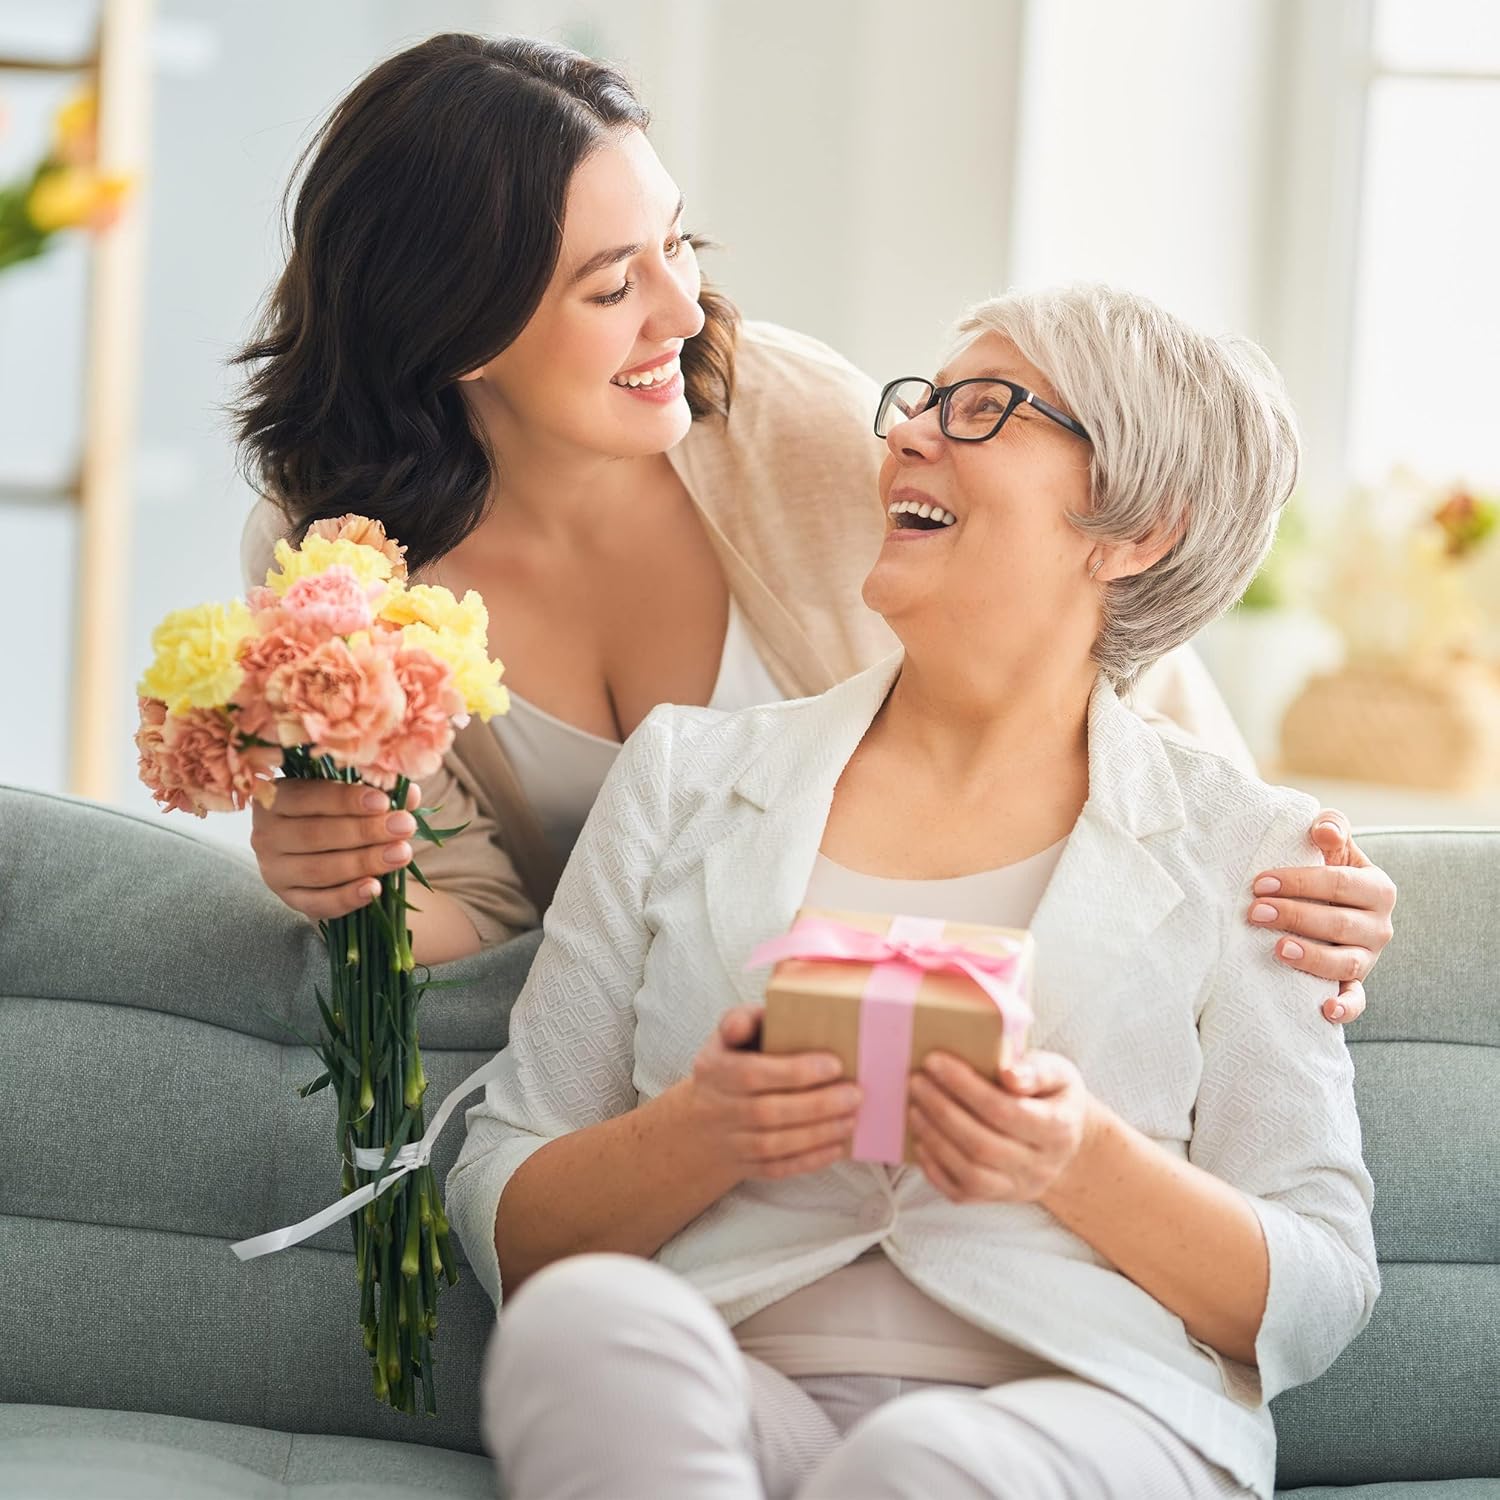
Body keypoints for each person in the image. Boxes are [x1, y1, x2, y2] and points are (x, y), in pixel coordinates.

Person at [236, 33, 1395, 1018]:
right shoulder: (335, 567)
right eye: (613, 286)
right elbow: (487, 923)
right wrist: (349, 880)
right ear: (457, 332)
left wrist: (1273, 879)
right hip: (670, 1042)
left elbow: (1092, 627)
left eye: (675, 243)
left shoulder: (788, 420)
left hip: (949, 994)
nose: (685, 312)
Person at [447, 283, 1379, 1500]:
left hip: (1091, 1409)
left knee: (923, 1461)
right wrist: (702, 1131)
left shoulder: (1251, 845)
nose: (906, 434)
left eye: (985, 408)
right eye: (920, 402)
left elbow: (1319, 1288)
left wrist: (1076, 1159)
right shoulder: (684, 775)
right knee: (583, 1330)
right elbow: (506, 1202)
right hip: (734, 1392)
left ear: (1138, 529)